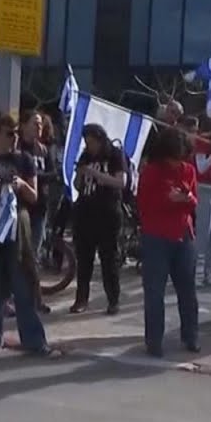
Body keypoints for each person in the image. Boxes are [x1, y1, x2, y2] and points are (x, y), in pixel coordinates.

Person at [0, 113, 56, 357]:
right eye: (9, 133)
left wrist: (20, 186)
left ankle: (35, 341)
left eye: (16, 133)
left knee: (23, 283)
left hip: (18, 224)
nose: (14, 138)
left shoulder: (24, 159)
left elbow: (34, 195)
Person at [136, 126, 200, 357]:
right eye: (173, 158)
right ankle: (154, 341)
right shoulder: (151, 172)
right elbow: (144, 205)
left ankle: (191, 335)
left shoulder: (188, 170)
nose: (177, 163)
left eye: (180, 158)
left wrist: (187, 198)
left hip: (183, 234)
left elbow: (193, 202)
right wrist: (169, 200)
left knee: (187, 289)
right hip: (156, 235)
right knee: (154, 291)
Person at [70, 124, 128, 315]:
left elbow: (121, 182)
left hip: (108, 212)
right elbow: (78, 185)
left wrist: (96, 174)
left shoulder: (115, 155)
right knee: (84, 259)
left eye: (93, 142)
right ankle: (81, 299)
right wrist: (79, 173)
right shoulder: (86, 156)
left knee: (108, 259)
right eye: (87, 142)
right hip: (85, 211)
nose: (90, 146)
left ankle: (113, 300)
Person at [19, 111, 55, 313]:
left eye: (41, 124)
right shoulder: (18, 148)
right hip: (21, 207)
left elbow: (52, 173)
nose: (38, 128)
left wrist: (35, 176)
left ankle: (35, 299)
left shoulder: (44, 149)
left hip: (40, 207)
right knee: (18, 255)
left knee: (34, 255)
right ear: (24, 125)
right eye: (35, 123)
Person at [186, 116, 211, 287]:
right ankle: (195, 273)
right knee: (204, 232)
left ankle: (208, 272)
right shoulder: (204, 140)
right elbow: (201, 167)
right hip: (204, 189)